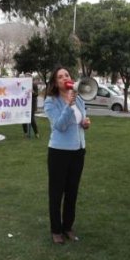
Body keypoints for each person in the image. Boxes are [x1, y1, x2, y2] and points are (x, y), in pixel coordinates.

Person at [44, 67, 91, 245]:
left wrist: (85, 123)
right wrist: (69, 106)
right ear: (56, 83)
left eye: (67, 75)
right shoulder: (51, 101)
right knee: (57, 193)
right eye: (60, 77)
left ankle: (68, 227)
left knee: (72, 192)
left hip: (78, 151)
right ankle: (56, 230)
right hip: (59, 152)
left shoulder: (78, 98)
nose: (65, 78)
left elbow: (80, 121)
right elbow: (60, 126)